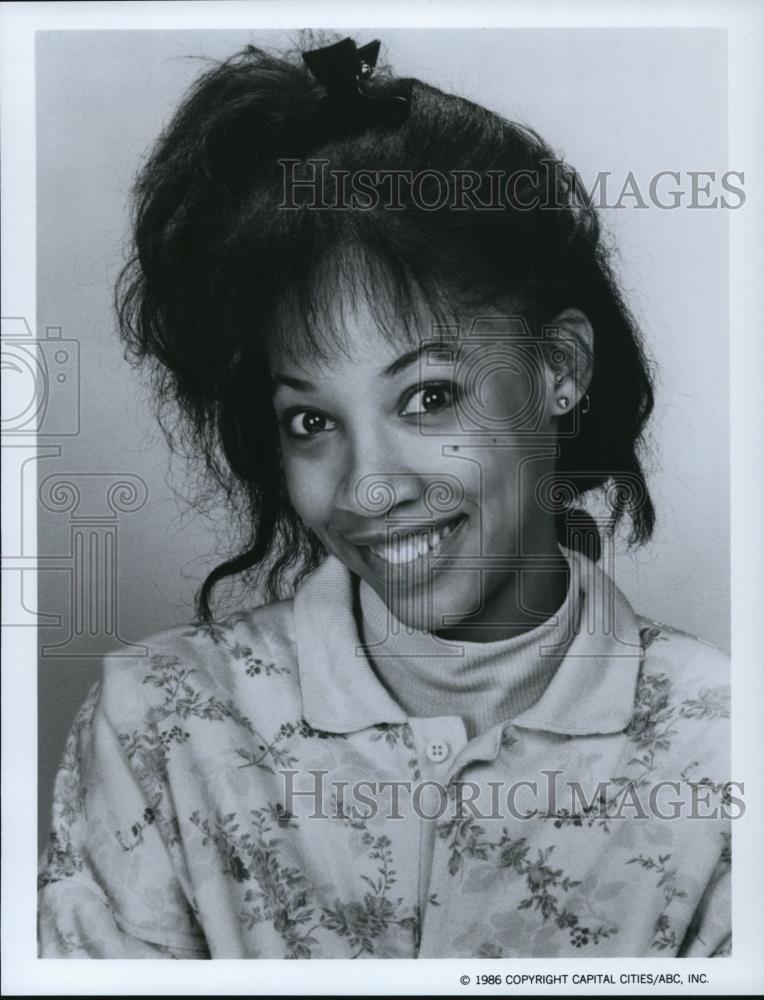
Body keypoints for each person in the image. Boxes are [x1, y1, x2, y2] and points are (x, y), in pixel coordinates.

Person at [37, 35, 731, 959]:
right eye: (310, 421)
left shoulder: (722, 746)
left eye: (430, 397)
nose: (369, 487)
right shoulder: (161, 724)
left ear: (559, 369)